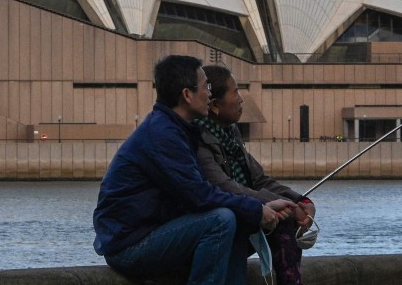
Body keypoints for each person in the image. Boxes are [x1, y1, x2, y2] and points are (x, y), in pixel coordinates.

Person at [93, 54, 295, 285]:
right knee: (221, 220)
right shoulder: (163, 135)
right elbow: (200, 196)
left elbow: (201, 195)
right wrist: (257, 209)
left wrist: (259, 208)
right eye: (204, 87)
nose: (209, 94)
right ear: (187, 95)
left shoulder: (175, 129)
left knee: (236, 219)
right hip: (129, 245)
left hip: (151, 232)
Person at [196, 64, 316, 285]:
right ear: (214, 105)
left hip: (242, 213)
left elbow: (258, 179)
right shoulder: (198, 137)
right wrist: (285, 206)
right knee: (282, 220)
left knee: (285, 219)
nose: (241, 99)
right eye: (236, 92)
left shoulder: (229, 132)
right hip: (222, 223)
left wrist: (299, 199)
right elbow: (225, 186)